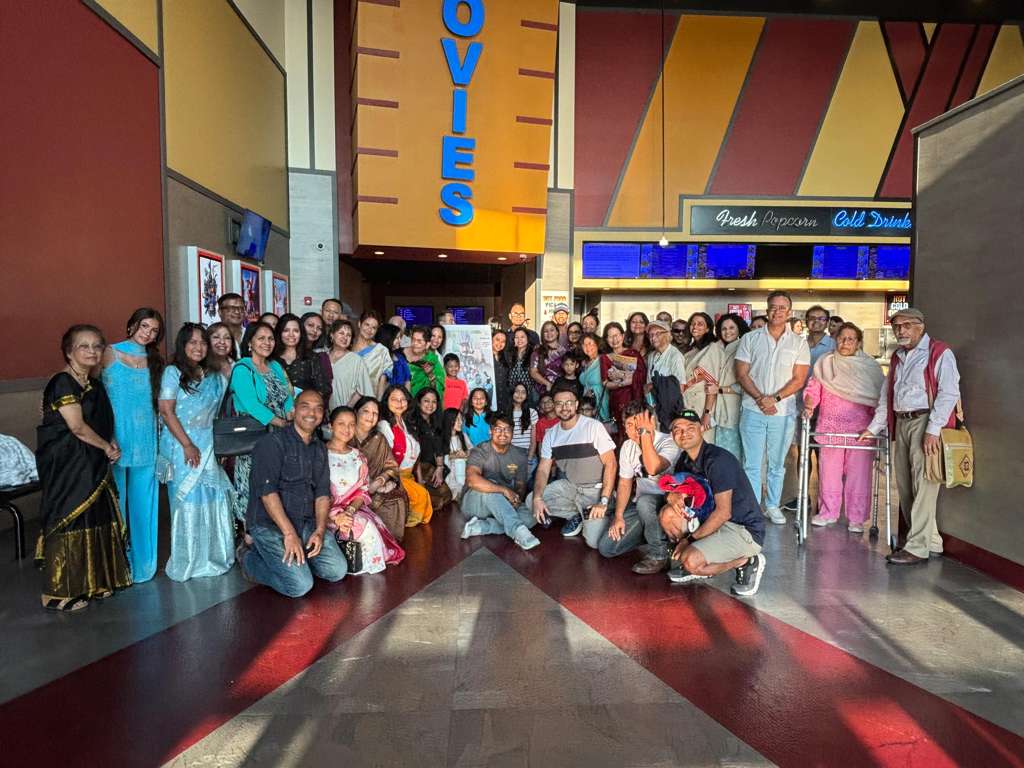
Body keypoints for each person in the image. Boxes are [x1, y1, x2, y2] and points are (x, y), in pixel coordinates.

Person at [36, 325, 131, 611]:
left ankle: (93, 582)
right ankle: (58, 593)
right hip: (68, 464)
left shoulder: (95, 384)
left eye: (97, 346)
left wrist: (111, 443)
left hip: (92, 462)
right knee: (71, 518)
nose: (92, 351)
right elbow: (76, 427)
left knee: (95, 517)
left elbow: (103, 422)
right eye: (84, 346)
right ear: (69, 352)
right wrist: (106, 447)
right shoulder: (63, 383)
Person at [860, 307, 961, 564]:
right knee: (905, 486)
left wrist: (933, 430)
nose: (900, 331)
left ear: (920, 327)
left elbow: (949, 392)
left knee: (924, 485)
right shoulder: (898, 357)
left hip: (925, 421)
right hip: (902, 421)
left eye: (906, 325)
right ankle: (932, 541)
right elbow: (887, 395)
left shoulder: (939, 352)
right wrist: (874, 427)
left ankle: (917, 548)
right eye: (896, 326)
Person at [237, 390, 348, 597]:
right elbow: (267, 493)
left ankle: (297, 560)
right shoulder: (272, 443)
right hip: (271, 524)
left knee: (337, 571)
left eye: (318, 409)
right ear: (294, 410)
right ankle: (248, 558)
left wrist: (320, 530)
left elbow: (322, 493)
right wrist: (289, 534)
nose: (311, 413)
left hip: (305, 522)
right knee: (299, 586)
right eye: (305, 407)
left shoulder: (319, 448)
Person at [660, 409, 767, 597]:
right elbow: (676, 490)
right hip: (712, 522)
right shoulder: (685, 460)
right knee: (667, 514)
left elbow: (723, 513)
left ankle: (746, 561)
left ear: (701, 429)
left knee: (691, 562)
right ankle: (696, 557)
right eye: (678, 429)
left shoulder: (718, 460)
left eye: (690, 427)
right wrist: (671, 495)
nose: (684, 433)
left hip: (742, 529)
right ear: (672, 434)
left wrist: (689, 541)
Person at [157, 324, 235, 582]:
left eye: (202, 342)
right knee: (188, 501)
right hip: (182, 446)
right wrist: (187, 444)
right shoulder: (173, 372)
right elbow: (166, 411)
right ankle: (189, 561)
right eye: (192, 342)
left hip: (208, 445)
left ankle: (212, 557)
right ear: (182, 345)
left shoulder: (214, 374)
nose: (198, 347)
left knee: (211, 499)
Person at [734, 291, 810, 525]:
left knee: (777, 463)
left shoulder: (799, 343)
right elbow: (741, 373)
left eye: (782, 308)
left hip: (783, 412)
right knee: (752, 462)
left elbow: (799, 379)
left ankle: (773, 505)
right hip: (752, 409)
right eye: (773, 307)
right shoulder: (750, 338)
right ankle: (753, 507)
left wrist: (774, 399)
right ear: (767, 310)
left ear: (790, 312)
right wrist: (760, 398)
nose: (777, 311)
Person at [101, 307, 164, 583]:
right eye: (144, 326)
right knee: (115, 505)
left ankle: (143, 566)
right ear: (131, 326)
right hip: (115, 442)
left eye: (154, 330)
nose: (147, 333)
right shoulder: (109, 353)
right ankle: (117, 568)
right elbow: (92, 393)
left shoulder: (156, 362)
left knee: (144, 506)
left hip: (147, 441)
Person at [803, 323, 885, 532]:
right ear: (835, 339)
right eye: (841, 338)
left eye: (851, 339)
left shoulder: (870, 367)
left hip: (861, 430)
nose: (845, 343)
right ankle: (828, 512)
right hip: (831, 427)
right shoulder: (825, 363)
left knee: (859, 476)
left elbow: (879, 397)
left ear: (858, 343)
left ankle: (856, 518)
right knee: (829, 474)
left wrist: (877, 425)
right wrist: (809, 404)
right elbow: (813, 388)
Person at [528, 385, 617, 546]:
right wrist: (537, 498)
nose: (564, 407)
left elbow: (611, 463)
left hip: (595, 490)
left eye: (569, 402)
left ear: (576, 405)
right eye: (559, 403)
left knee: (593, 541)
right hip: (571, 486)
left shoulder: (593, 427)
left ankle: (603, 509)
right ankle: (576, 514)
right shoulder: (551, 434)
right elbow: (543, 470)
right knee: (531, 500)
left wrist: (603, 500)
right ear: (554, 406)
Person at [595, 402, 679, 570]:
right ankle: (652, 534)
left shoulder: (669, 442)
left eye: (638, 425)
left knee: (645, 502)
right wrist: (619, 516)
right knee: (607, 548)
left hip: (669, 505)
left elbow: (653, 468)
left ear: (651, 422)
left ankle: (659, 555)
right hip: (642, 508)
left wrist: (645, 433)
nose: (634, 431)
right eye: (629, 425)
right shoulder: (628, 446)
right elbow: (624, 482)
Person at [324, 407, 404, 574]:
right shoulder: (320, 454)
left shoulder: (357, 456)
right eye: (341, 424)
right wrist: (335, 516)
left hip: (352, 509)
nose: (347, 429)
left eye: (351, 424)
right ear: (330, 426)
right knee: (361, 528)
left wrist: (350, 511)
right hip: (325, 513)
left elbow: (363, 490)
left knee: (366, 526)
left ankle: (364, 568)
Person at [230, 321, 294, 523]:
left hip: (281, 437)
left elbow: (287, 394)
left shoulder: (275, 366)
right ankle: (249, 531)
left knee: (276, 482)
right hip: (256, 437)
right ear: (250, 342)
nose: (267, 343)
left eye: (270, 339)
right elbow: (251, 404)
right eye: (261, 338)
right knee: (254, 483)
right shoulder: (242, 368)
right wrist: (279, 422)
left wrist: (290, 413)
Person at [781, 304, 836, 513]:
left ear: (827, 322)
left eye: (821, 318)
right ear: (806, 322)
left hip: (826, 409)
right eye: (812, 318)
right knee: (802, 454)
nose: (816, 322)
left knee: (824, 458)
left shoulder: (833, 345)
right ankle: (803, 497)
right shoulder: (799, 344)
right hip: (800, 407)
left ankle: (825, 501)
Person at [460, 412, 540, 550]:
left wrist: (516, 500)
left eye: (507, 429)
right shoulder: (479, 451)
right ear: (490, 431)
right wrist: (504, 490)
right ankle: (519, 531)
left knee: (531, 517)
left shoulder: (520, 454)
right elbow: (472, 480)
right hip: (475, 503)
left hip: (503, 504)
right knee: (492, 487)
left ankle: (483, 527)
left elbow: (520, 485)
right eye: (498, 429)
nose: (503, 433)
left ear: (512, 432)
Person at [350, 396, 409, 539]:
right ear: (356, 412)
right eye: (366, 411)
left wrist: (379, 481)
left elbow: (392, 466)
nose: (371, 417)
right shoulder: (347, 434)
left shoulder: (379, 438)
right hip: (350, 487)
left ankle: (386, 543)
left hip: (376, 486)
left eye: (375, 413)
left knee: (395, 502)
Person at [379, 385, 433, 528]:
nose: (399, 403)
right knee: (421, 496)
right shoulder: (385, 425)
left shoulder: (408, 423)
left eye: (403, 399)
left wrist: (420, 479)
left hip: (409, 476)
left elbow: (416, 456)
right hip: (395, 476)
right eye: (394, 399)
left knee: (426, 496)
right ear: (386, 401)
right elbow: (385, 459)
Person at [711, 313, 750, 461]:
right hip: (719, 412)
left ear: (739, 328)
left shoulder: (744, 348)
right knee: (721, 455)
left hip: (735, 411)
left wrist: (720, 389)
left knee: (734, 457)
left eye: (732, 328)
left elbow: (747, 383)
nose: (728, 332)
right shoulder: (718, 349)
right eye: (724, 329)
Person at [409, 387, 452, 512]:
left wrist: (440, 467)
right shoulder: (412, 422)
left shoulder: (437, 421)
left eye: (434, 402)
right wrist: (419, 479)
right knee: (435, 502)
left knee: (447, 497)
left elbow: (440, 447)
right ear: (419, 402)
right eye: (426, 401)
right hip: (416, 468)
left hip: (431, 467)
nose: (430, 405)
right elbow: (414, 454)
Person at [681, 312, 723, 440]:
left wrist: (707, 414)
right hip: (688, 403)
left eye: (700, 324)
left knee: (705, 443)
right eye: (692, 324)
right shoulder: (691, 351)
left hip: (703, 404)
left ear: (708, 328)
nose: (695, 327)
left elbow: (712, 384)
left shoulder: (713, 348)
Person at [601, 321, 646, 437]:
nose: (614, 339)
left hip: (634, 398)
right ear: (606, 339)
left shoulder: (633, 353)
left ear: (622, 335)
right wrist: (623, 383)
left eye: (617, 335)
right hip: (617, 401)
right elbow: (605, 383)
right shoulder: (605, 358)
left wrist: (621, 377)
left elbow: (642, 376)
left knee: (637, 429)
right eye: (610, 336)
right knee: (621, 431)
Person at [275, 313, 330, 401]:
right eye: (286, 330)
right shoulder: (271, 358)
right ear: (279, 333)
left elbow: (323, 389)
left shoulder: (312, 357)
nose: (291, 334)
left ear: (301, 333)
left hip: (306, 406)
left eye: (296, 331)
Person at [645, 319, 687, 429]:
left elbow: (680, 387)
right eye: (651, 335)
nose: (653, 338)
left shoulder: (675, 356)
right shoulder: (651, 356)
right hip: (655, 407)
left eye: (657, 334)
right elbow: (648, 385)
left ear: (667, 335)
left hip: (670, 411)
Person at [326, 319, 374, 409]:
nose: (345, 337)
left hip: (344, 410)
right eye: (341, 333)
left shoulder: (356, 360)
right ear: (332, 335)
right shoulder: (322, 356)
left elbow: (362, 390)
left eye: (349, 335)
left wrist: (347, 409)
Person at [352, 311, 393, 398]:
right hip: (344, 398)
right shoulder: (348, 347)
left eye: (374, 328)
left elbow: (382, 382)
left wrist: (378, 403)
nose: (369, 330)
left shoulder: (381, 351)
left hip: (369, 400)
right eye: (367, 325)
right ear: (359, 324)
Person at [405, 325, 446, 400]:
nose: (436, 340)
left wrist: (430, 375)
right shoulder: (404, 354)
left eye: (439, 337)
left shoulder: (436, 360)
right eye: (433, 336)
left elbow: (439, 387)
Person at [529, 320, 565, 399]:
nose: (549, 333)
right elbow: (533, 372)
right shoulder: (537, 351)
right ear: (542, 334)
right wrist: (547, 384)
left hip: (561, 390)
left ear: (557, 332)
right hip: (540, 391)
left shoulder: (564, 351)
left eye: (552, 330)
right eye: (546, 331)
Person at [578, 333, 609, 425]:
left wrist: (592, 392)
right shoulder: (584, 363)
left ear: (597, 344)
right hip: (587, 405)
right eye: (584, 345)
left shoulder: (604, 360)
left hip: (601, 401)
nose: (587, 347)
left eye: (590, 343)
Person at [508, 383, 539, 470]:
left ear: (527, 395)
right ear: (512, 393)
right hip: (510, 455)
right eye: (517, 391)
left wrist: (529, 459)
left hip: (527, 453)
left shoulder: (532, 412)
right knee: (512, 478)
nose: (520, 394)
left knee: (526, 477)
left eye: (523, 392)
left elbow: (533, 440)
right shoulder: (506, 413)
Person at [442, 407, 471, 497]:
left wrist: (465, 454)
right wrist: (454, 455)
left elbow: (472, 451)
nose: (461, 422)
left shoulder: (463, 436)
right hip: (448, 478)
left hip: (464, 476)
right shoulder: (441, 438)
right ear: (449, 420)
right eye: (457, 419)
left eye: (461, 419)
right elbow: (439, 458)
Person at [376, 322, 410, 388]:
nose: (400, 341)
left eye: (400, 338)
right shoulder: (378, 358)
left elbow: (407, 380)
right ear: (388, 338)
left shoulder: (400, 357)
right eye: (397, 338)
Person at [506, 328, 534, 406]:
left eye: (522, 337)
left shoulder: (534, 354)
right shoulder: (509, 354)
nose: (519, 340)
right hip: (512, 394)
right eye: (516, 337)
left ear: (528, 338)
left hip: (528, 394)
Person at [491, 330, 510, 414]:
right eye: (497, 339)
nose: (500, 343)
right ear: (491, 339)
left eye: (503, 341)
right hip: (489, 401)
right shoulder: (484, 357)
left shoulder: (506, 357)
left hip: (504, 401)